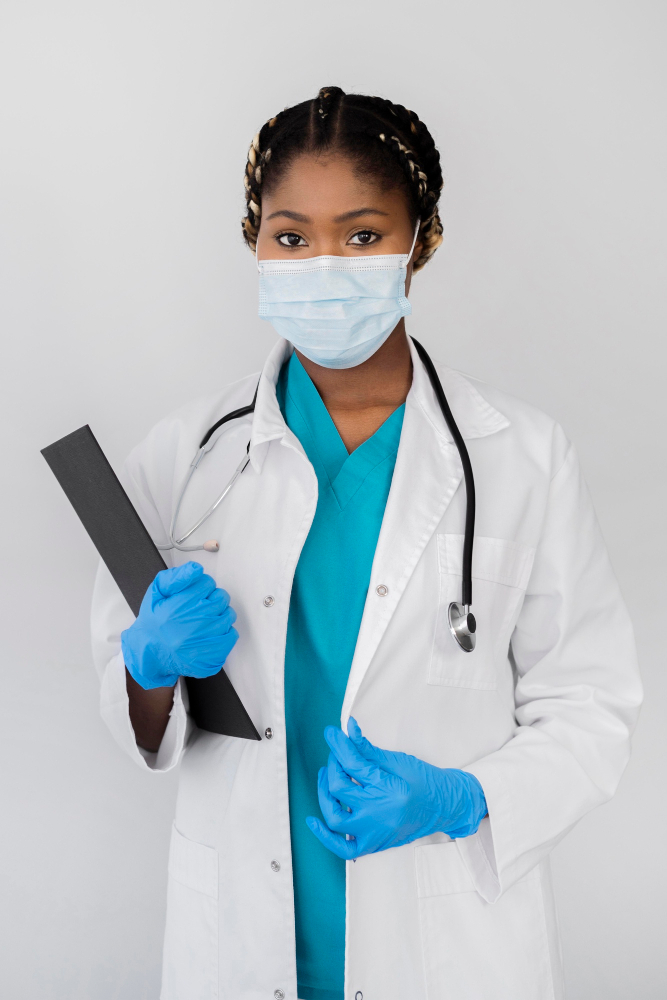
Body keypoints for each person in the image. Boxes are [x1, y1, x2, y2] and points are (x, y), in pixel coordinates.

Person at [91, 86, 642, 1000]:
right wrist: (148, 668)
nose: (323, 266)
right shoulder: (183, 456)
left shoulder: (523, 456)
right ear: (254, 240)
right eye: (291, 237)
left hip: (445, 935)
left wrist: (461, 800)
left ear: (419, 241)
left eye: (360, 235)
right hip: (241, 927)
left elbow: (590, 707)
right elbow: (140, 721)